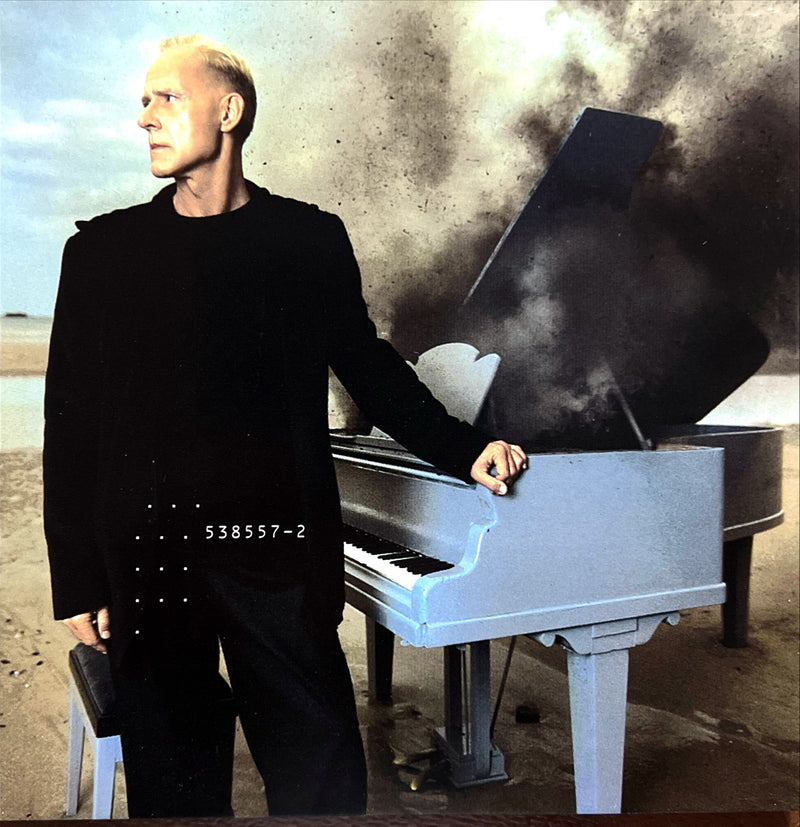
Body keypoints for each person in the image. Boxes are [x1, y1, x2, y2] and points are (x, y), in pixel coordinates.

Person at [44, 34, 526, 818]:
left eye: (165, 97)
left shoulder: (308, 240)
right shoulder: (101, 252)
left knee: (323, 779)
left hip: (276, 556)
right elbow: (71, 422)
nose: (145, 119)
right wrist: (78, 574)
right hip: (150, 561)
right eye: (142, 102)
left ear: (228, 110)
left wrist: (465, 448)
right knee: (175, 792)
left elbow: (369, 367)